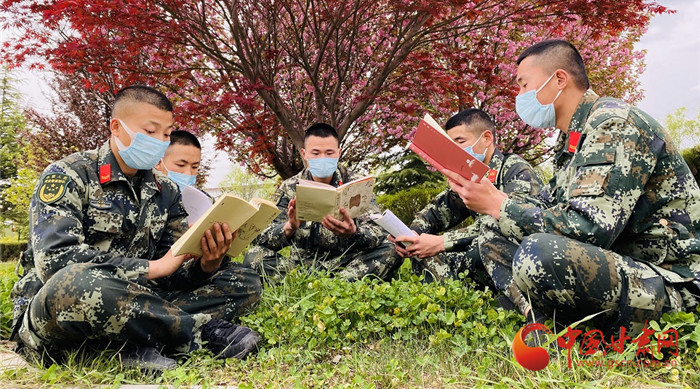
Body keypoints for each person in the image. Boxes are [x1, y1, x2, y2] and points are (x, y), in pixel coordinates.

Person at [444, 40, 700, 333]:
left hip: (671, 280)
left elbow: (590, 229)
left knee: (539, 253)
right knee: (493, 228)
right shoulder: (573, 139)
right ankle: (538, 317)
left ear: (559, 80)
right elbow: (549, 205)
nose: (519, 96)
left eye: (524, 84)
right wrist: (496, 202)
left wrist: (500, 205)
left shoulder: (613, 124)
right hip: (624, 267)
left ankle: (554, 321)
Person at [11, 85, 263, 371]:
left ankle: (121, 346)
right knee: (80, 281)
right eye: (150, 131)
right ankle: (201, 334)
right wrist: (152, 268)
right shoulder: (69, 175)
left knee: (242, 281)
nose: (160, 141)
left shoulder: (166, 190)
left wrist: (207, 263)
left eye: (166, 134)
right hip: (62, 308)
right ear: (116, 127)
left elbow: (173, 272)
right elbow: (54, 261)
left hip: (136, 299)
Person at [391, 109, 542, 288]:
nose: (454, 150)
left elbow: (506, 224)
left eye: (460, 142)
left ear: (486, 138)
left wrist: (441, 242)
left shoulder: (516, 170)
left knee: (482, 246)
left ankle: (485, 294)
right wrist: (412, 234)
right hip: (480, 253)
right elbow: (438, 211)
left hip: (514, 254)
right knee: (423, 251)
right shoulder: (470, 175)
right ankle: (451, 297)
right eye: (450, 144)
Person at [243, 123, 401, 281]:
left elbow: (378, 231)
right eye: (316, 153)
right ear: (304, 153)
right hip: (301, 267)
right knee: (254, 255)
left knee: (393, 249)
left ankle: (335, 285)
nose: (323, 158)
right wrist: (289, 227)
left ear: (339, 153)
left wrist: (354, 233)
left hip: (349, 264)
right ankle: (318, 285)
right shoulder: (290, 188)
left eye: (329, 153)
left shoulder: (357, 184)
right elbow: (262, 236)